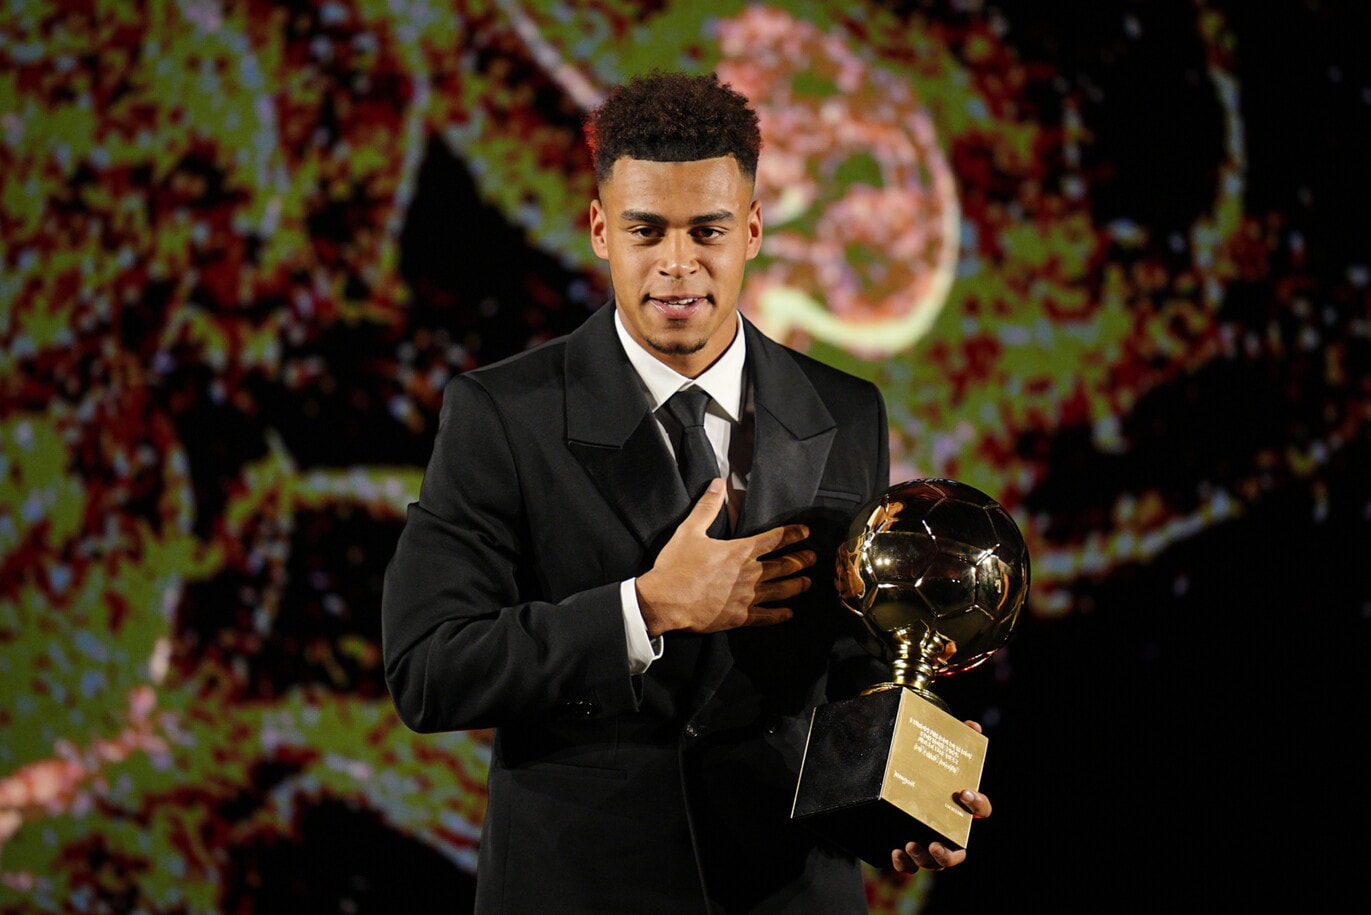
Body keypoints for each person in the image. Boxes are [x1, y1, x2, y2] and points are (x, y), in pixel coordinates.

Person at [381, 71, 991, 913]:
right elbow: (428, 668)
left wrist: (897, 795)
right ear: (601, 230)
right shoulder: (502, 414)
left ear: (751, 230)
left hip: (787, 891)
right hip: (583, 888)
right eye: (646, 230)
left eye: (707, 230)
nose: (677, 264)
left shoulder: (846, 409)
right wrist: (645, 609)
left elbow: (845, 666)